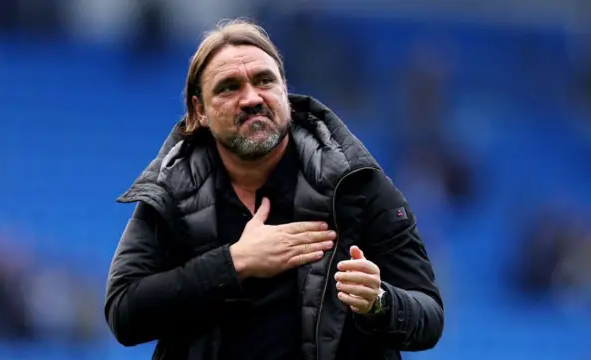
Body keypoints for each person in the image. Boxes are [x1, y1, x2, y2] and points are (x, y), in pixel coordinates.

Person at [104, 19, 444, 360]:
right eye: (228, 87)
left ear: (286, 92)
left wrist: (379, 302)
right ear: (200, 111)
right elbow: (124, 312)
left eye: (264, 80)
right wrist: (234, 263)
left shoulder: (355, 185)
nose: (251, 98)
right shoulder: (173, 193)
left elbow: (428, 316)